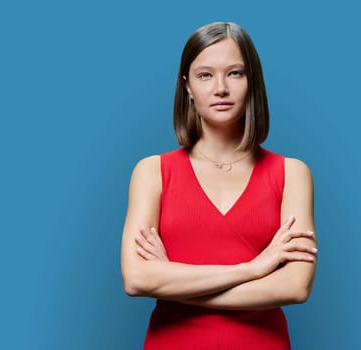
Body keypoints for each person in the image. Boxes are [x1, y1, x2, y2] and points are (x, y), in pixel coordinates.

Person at [121, 21, 317, 349]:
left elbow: (295, 287)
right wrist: (252, 269)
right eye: (205, 75)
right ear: (187, 86)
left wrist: (172, 280)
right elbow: (137, 278)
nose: (221, 88)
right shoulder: (152, 171)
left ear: (252, 81)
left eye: (235, 73)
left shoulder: (292, 173)